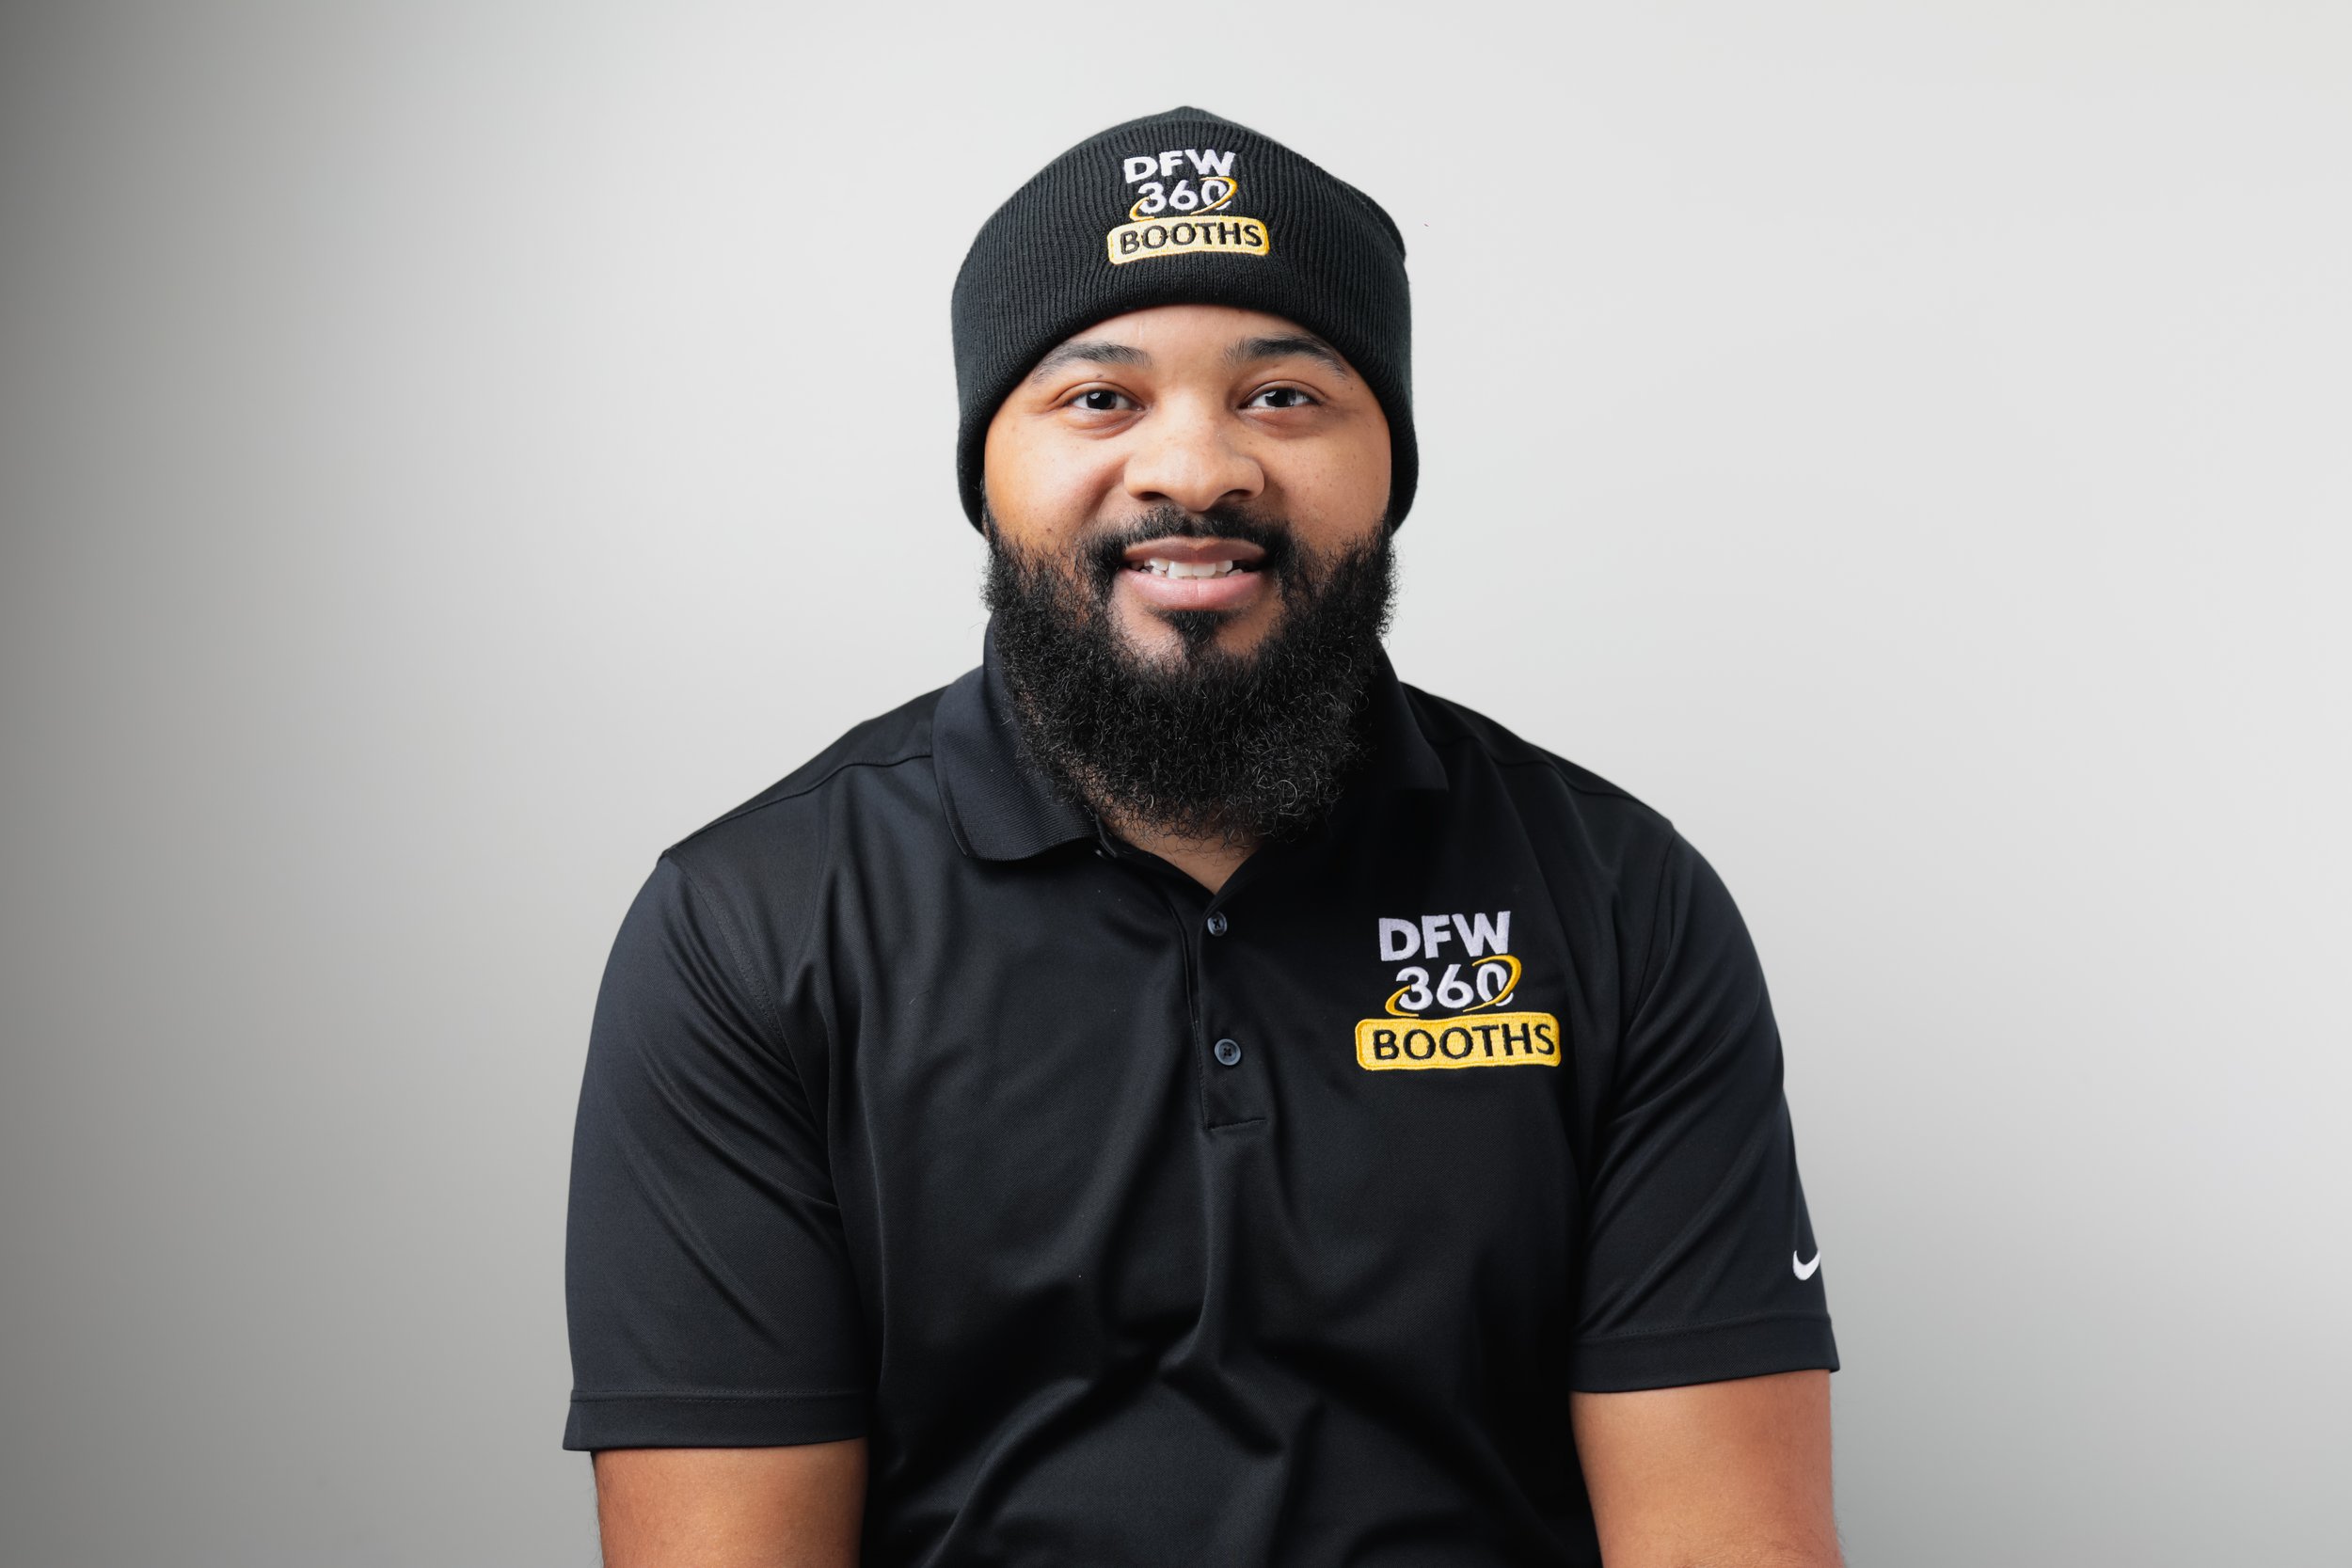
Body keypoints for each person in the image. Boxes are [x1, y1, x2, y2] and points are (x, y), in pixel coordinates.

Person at [564, 106, 1841, 1568]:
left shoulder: (1619, 901)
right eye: (1099, 399)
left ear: (1390, 467)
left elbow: (1728, 1545)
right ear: (988, 469)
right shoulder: (753, 925)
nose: (1196, 468)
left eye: (1285, 396)